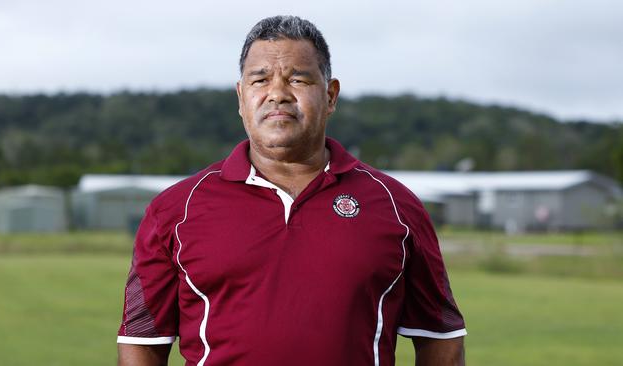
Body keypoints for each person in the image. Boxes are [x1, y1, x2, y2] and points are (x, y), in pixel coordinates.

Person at [117, 15, 466, 366]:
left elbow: (441, 338)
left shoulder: (397, 206)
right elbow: (142, 341)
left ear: (330, 95)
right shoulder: (175, 210)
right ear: (241, 97)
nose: (278, 94)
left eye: (298, 79)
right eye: (260, 80)